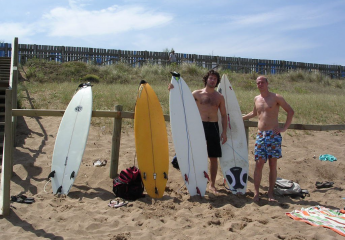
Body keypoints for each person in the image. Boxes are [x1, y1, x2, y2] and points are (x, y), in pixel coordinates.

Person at [169, 70, 227, 194]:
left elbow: (223, 115)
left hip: (213, 127)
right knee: (193, 153)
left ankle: (212, 184)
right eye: (211, 78)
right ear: (206, 79)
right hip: (198, 126)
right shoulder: (196, 93)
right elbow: (182, 101)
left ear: (217, 82)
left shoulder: (219, 97)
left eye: (215, 79)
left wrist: (224, 132)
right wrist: (173, 89)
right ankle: (191, 180)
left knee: (213, 156)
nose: (212, 80)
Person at [242, 76, 294, 202]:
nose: (260, 84)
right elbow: (254, 113)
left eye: (262, 82)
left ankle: (270, 193)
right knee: (259, 163)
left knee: (272, 164)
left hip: (273, 135)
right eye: (258, 83)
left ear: (267, 83)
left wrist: (284, 128)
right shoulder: (256, 99)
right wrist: (240, 118)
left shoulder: (276, 97)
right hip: (261, 135)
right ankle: (256, 193)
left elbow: (290, 111)